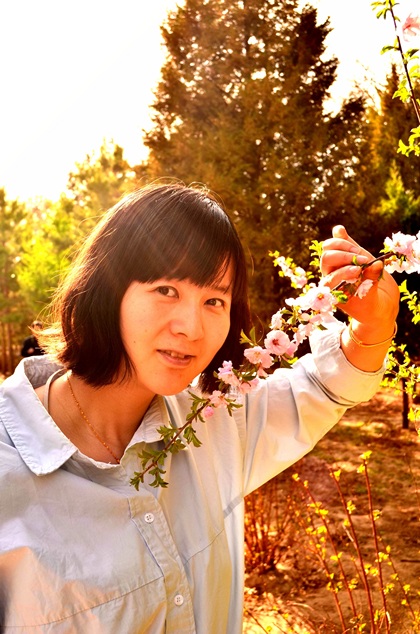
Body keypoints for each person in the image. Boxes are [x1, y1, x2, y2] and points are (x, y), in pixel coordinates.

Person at [0, 183, 399, 633]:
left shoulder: (210, 419)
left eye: (214, 301)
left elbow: (321, 387)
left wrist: (374, 325)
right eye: (166, 289)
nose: (191, 328)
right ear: (106, 289)